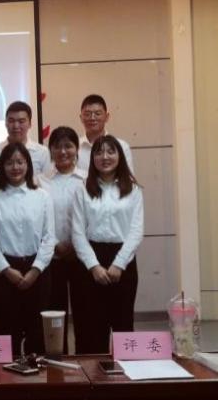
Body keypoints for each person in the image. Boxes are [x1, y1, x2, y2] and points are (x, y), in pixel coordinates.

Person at [0, 142, 56, 355]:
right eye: (9, 163)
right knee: (7, 329)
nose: (15, 167)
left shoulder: (42, 196)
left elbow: (49, 237)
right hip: (5, 271)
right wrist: (7, 270)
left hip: (37, 269)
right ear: (2, 167)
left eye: (20, 162)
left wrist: (35, 270)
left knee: (36, 331)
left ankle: (37, 373)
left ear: (28, 165)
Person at [72, 135, 143, 354]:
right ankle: (93, 375)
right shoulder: (82, 188)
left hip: (123, 262)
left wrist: (119, 264)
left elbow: (136, 231)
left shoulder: (133, 189)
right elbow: (77, 233)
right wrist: (94, 266)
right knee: (92, 329)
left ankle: (125, 374)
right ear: (92, 158)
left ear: (120, 156)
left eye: (111, 152)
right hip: (90, 262)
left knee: (123, 324)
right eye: (99, 152)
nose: (105, 157)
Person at [37, 126, 87, 354]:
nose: (63, 151)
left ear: (77, 149)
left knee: (84, 310)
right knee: (54, 313)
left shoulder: (88, 179)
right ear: (51, 150)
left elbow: (93, 217)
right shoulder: (40, 181)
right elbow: (37, 218)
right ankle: (58, 358)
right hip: (52, 257)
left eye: (68, 146)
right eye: (57, 146)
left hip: (82, 256)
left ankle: (85, 359)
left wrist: (77, 246)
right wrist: (55, 243)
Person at [77, 94, 134, 173]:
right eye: (87, 114)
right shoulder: (74, 148)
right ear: (81, 118)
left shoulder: (121, 146)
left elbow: (127, 178)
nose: (92, 118)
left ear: (107, 117)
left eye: (97, 113)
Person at [0, 101, 51, 176]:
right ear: (6, 123)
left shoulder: (42, 152)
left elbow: (46, 180)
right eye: (11, 121)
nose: (16, 126)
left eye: (21, 121)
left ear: (30, 124)